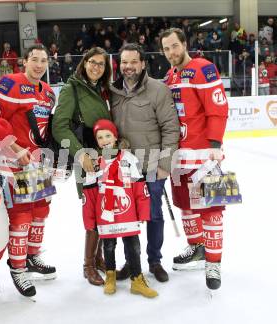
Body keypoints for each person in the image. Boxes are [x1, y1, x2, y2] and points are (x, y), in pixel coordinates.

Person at [160, 28, 228, 290]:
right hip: (178, 157)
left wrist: (215, 144)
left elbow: (217, 107)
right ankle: (197, 247)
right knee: (185, 205)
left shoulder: (203, 68)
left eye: (174, 46)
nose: (171, 52)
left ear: (185, 44)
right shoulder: (169, 75)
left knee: (210, 210)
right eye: (166, 48)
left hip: (203, 155)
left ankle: (213, 263)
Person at [110, 43, 180, 283]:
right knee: (126, 217)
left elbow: (171, 129)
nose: (128, 67)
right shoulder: (113, 91)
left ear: (142, 64)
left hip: (152, 166)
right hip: (124, 168)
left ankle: (154, 261)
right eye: (124, 62)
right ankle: (132, 262)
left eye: (133, 62)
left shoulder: (158, 90)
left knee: (153, 215)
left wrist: (165, 164)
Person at [0, 44, 57, 298]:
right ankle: (18, 268)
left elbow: (44, 130)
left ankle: (32, 256)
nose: (39, 65)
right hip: (14, 164)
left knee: (41, 210)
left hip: (38, 163)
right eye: (34, 60)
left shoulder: (49, 92)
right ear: (25, 61)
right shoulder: (10, 83)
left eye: (43, 61)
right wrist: (17, 149)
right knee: (21, 216)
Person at [52, 47, 112, 286]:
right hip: (86, 159)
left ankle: (98, 258)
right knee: (93, 213)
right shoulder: (71, 89)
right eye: (92, 62)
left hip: (105, 157)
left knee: (105, 208)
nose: (96, 67)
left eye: (101, 64)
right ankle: (88, 265)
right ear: (84, 63)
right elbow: (59, 127)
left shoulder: (104, 89)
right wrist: (80, 154)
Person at [92, 119, 158, 298]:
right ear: (96, 141)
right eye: (100, 137)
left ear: (115, 137)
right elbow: (90, 194)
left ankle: (137, 279)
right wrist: (90, 219)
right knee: (109, 246)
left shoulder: (129, 159)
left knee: (133, 246)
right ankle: (110, 276)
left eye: (108, 136)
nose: (104, 140)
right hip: (106, 214)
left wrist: (143, 212)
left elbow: (139, 187)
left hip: (128, 213)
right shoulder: (95, 162)